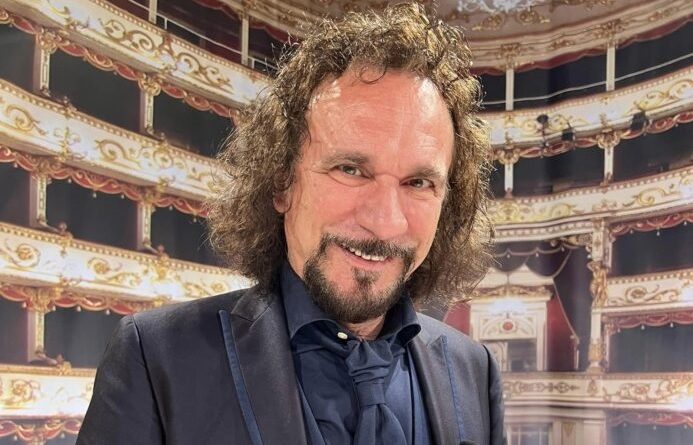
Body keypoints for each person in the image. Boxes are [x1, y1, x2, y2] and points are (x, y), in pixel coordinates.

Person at [78, 3, 505, 444]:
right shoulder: (155, 358)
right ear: (281, 182)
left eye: (418, 182)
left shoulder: (475, 372)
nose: (385, 222)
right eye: (350, 169)